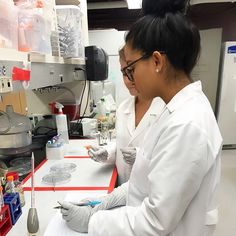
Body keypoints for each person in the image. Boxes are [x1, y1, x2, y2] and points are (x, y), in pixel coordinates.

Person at [59, 0, 222, 235]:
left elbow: (155, 222)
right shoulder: (173, 110)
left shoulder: (187, 124)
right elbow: (146, 181)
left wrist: (92, 222)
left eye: (131, 69)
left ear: (157, 61)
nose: (130, 79)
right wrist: (106, 203)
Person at [88, 46, 165, 185]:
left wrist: (142, 157)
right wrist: (107, 152)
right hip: (123, 187)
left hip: (151, 194)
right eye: (124, 73)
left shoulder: (166, 109)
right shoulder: (123, 108)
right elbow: (121, 144)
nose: (128, 80)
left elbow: (172, 162)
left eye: (132, 71)